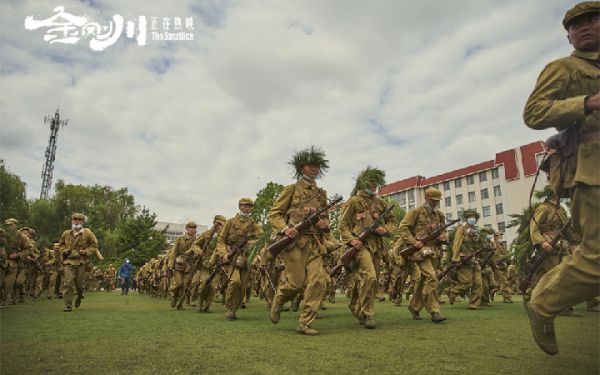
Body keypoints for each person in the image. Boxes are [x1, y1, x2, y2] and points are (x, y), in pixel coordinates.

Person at [522, 1, 600, 355]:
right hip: (592, 169)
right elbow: (534, 112)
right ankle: (544, 303)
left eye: (594, 20)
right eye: (576, 23)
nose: (585, 27)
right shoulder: (564, 68)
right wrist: (588, 102)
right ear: (568, 33)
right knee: (595, 259)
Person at [268, 146, 331, 335]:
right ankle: (279, 299)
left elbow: (327, 219)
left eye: (317, 166)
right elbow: (274, 214)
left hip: (315, 243)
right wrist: (286, 229)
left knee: (319, 282)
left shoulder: (321, 194)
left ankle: (305, 323)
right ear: (301, 168)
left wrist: (323, 224)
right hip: (295, 243)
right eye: (310, 166)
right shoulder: (291, 189)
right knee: (295, 284)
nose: (314, 169)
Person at [339, 166, 396, 329]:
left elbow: (392, 222)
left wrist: (385, 230)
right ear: (362, 183)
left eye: (376, 182)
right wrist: (351, 240)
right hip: (360, 246)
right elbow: (342, 225)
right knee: (369, 276)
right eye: (370, 182)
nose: (373, 185)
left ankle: (355, 305)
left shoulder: (381, 203)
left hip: (377, 246)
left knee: (371, 280)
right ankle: (368, 313)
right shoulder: (355, 201)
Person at [398, 188, 448, 322]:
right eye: (432, 200)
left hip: (435, 252)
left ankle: (414, 307)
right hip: (420, 251)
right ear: (426, 198)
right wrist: (414, 242)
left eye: (437, 201)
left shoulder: (439, 215)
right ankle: (434, 311)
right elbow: (403, 228)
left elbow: (443, 231)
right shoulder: (415, 212)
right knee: (431, 277)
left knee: (423, 281)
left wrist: (443, 237)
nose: (435, 203)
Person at [215, 200, 262, 320]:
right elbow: (221, 240)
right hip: (232, 256)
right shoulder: (230, 222)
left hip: (245, 257)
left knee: (242, 288)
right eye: (245, 206)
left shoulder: (252, 224)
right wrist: (224, 253)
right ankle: (229, 306)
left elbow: (261, 236)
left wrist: (252, 243)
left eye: (249, 206)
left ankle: (233, 310)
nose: (247, 208)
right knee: (235, 281)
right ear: (240, 207)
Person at [58, 213, 100, 312]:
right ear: (72, 221)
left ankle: (80, 296)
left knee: (79, 285)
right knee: (68, 282)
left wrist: (86, 252)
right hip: (69, 261)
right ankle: (68, 305)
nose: (76, 221)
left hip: (81, 262)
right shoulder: (66, 233)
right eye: (74, 220)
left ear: (82, 222)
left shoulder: (88, 233)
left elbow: (94, 245)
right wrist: (64, 251)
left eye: (79, 220)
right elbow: (60, 245)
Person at [448, 209, 485, 310]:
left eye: (473, 217)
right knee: (467, 282)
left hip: (474, 259)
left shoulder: (475, 231)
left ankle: (473, 304)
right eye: (470, 217)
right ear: (466, 218)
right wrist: (456, 258)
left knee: (478, 283)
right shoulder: (462, 229)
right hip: (464, 259)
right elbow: (456, 243)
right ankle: (453, 291)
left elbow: (476, 245)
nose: (472, 219)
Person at [0, 218, 33, 308]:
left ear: (16, 225)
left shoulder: (22, 237)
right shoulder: (2, 234)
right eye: (7, 225)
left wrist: (18, 254)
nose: (9, 227)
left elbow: (30, 249)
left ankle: (3, 302)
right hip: (2, 262)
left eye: (11, 225)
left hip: (13, 264)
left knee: (8, 284)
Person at [167, 222, 199, 310]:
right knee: (178, 284)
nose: (192, 229)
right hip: (179, 264)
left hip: (190, 265)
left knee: (185, 286)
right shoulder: (180, 239)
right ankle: (174, 296)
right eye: (190, 227)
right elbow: (174, 252)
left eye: (193, 228)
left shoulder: (197, 241)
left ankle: (180, 304)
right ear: (187, 229)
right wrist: (170, 265)